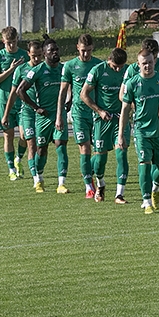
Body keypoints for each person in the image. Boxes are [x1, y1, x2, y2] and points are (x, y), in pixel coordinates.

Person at [15, 38, 69, 194]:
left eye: (56, 49)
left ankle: (61, 184)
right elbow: (20, 90)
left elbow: (70, 84)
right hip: (43, 118)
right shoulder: (38, 70)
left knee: (61, 146)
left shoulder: (64, 69)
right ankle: (38, 179)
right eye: (51, 50)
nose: (55, 52)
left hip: (59, 115)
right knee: (41, 149)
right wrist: (36, 108)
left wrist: (70, 100)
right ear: (44, 53)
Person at [119, 49, 159, 214]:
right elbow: (125, 110)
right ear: (138, 64)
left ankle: (155, 188)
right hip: (141, 131)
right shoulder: (132, 83)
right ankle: (146, 200)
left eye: (150, 62)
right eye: (144, 63)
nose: (147, 66)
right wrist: (121, 134)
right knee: (145, 164)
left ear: (154, 61)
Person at [81, 47, 128, 203]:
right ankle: (100, 184)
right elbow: (84, 94)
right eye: (115, 66)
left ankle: (119, 194)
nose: (118, 69)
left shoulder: (128, 71)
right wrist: (100, 111)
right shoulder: (98, 70)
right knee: (100, 159)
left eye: (121, 66)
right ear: (109, 60)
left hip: (120, 119)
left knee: (121, 154)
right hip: (102, 121)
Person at [59, 33, 102, 199]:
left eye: (89, 50)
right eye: (83, 50)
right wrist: (60, 115)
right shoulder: (70, 66)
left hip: (96, 114)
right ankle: (89, 186)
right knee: (85, 148)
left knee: (99, 152)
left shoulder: (99, 65)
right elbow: (62, 91)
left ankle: (88, 173)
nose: (86, 54)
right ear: (78, 48)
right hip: (79, 114)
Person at [1, 39, 42, 189]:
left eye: (39, 55)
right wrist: (5, 115)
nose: (36, 59)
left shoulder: (46, 68)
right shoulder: (21, 70)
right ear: (28, 54)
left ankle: (19, 158)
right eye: (33, 56)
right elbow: (13, 93)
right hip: (26, 111)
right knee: (27, 139)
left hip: (42, 113)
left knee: (33, 142)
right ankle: (36, 178)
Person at [0, 26, 28, 180]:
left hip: (22, 102)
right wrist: (11, 70)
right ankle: (11, 169)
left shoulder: (24, 55)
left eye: (13, 42)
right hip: (5, 101)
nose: (11, 45)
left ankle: (18, 159)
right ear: (3, 41)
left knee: (25, 135)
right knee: (8, 136)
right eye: (8, 43)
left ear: (17, 39)